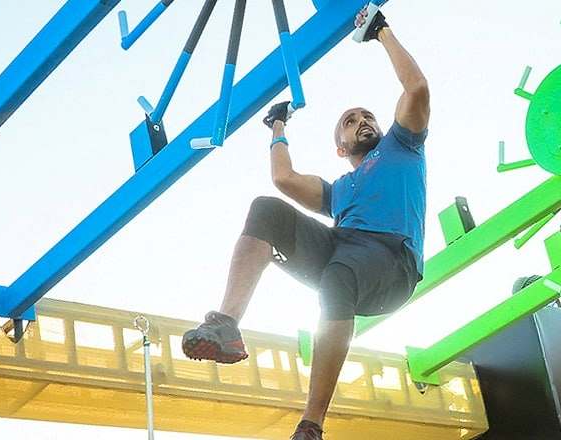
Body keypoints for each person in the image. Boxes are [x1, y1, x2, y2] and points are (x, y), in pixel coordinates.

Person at [178, 6, 427, 440]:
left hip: (391, 262)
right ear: (340, 147)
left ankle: (311, 425)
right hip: (344, 247)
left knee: (338, 275)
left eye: (367, 116)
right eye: (350, 121)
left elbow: (417, 88)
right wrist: (277, 126)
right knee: (267, 208)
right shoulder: (340, 190)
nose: (362, 121)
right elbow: (284, 179)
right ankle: (226, 326)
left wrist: (380, 31)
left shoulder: (401, 146)